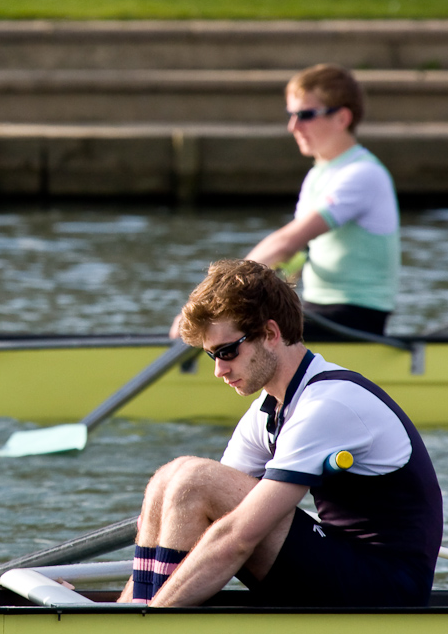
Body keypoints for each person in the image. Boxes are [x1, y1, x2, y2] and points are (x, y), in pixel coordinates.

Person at [122, 259, 441, 608]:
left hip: (387, 589)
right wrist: (116, 614)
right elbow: (203, 510)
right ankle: (130, 612)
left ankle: (147, 621)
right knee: (167, 482)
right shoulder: (272, 405)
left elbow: (237, 538)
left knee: (193, 480)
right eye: (211, 355)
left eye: (227, 351)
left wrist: (151, 618)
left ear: (271, 334)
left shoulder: (329, 403)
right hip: (345, 565)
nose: (218, 369)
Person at [245, 63, 400, 338]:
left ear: (342, 118)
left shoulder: (363, 174)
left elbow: (286, 242)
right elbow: (295, 255)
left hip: (356, 317)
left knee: (241, 332)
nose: (293, 126)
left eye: (305, 115)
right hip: (319, 310)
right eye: (291, 115)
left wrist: (218, 298)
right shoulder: (319, 175)